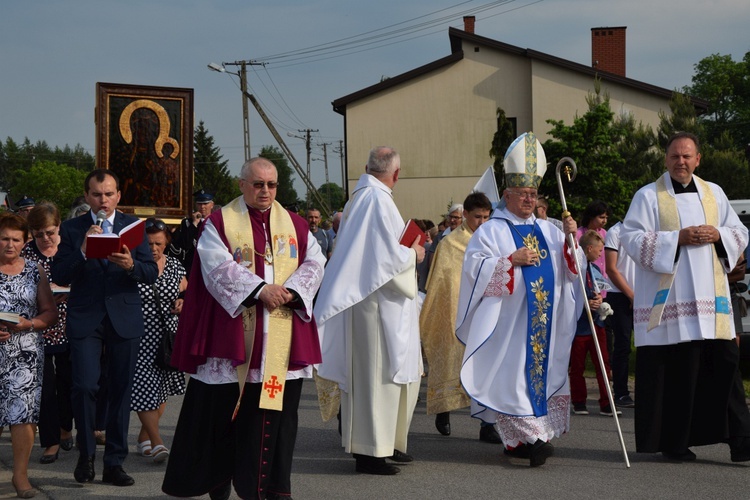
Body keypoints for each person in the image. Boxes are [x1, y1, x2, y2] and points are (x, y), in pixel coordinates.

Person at [163, 157, 325, 500]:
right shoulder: (220, 223)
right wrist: (259, 289)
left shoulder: (295, 224)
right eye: (258, 184)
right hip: (233, 335)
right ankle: (217, 483)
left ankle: (269, 488)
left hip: (281, 338)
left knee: (274, 418)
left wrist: (292, 291)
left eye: (271, 184)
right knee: (223, 416)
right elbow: (215, 266)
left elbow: (315, 260)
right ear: (241, 185)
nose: (265, 191)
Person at [620, 132, 750, 462]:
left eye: (687, 156)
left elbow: (740, 232)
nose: (681, 161)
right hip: (671, 305)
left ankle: (741, 440)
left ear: (698, 159)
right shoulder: (648, 196)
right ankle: (675, 443)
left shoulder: (714, 194)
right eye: (675, 156)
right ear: (666, 159)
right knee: (679, 373)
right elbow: (631, 238)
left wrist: (718, 234)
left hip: (712, 304)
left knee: (726, 365)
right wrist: (676, 238)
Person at [456, 132, 583, 467]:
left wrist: (572, 241)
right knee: (510, 380)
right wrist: (508, 261)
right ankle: (531, 439)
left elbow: (573, 268)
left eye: (532, 194)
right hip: (508, 327)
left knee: (532, 378)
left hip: (543, 327)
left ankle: (520, 443)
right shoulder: (491, 231)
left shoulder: (551, 230)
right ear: (507, 194)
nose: (528, 200)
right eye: (522, 194)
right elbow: (474, 269)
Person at [315, 146, 425, 476]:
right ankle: (370, 453)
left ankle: (384, 445)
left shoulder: (362, 198)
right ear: (396, 174)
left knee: (382, 379)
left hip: (376, 304)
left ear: (367, 167)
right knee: (376, 380)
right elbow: (386, 259)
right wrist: (415, 254)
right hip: (376, 308)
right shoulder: (376, 200)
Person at [52, 169, 157, 486]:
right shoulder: (72, 229)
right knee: (84, 386)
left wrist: (131, 266)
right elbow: (60, 273)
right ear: (87, 196)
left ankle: (114, 463)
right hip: (86, 319)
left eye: (109, 194)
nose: (103, 200)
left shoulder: (133, 228)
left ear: (118, 196)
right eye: (97, 194)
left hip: (124, 317)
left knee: (121, 390)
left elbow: (150, 272)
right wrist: (84, 250)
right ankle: (86, 457)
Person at [420, 192, 502, 442]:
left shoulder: (494, 240)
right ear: (465, 215)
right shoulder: (450, 244)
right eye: (477, 217)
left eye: (487, 217)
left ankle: (487, 425)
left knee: (487, 367)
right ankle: (443, 409)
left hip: (486, 311)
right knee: (449, 360)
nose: (482, 222)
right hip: (456, 312)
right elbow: (444, 284)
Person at [0, 212, 58, 498]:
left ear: (25, 242)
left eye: (15, 239)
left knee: (22, 416)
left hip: (25, 353)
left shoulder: (35, 270)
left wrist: (28, 324)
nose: (9, 244)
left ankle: (20, 476)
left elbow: (50, 313)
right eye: (4, 238)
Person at [21, 203, 75, 464]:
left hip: (70, 327)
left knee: (69, 384)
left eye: (50, 232)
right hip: (37, 328)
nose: (45, 238)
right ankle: (51, 442)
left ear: (59, 227)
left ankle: (66, 428)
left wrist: (68, 290)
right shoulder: (26, 252)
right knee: (45, 387)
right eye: (39, 233)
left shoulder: (70, 247)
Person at [131, 218, 187, 464]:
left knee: (162, 390)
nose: (153, 248)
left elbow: (188, 290)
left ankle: (143, 438)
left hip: (167, 336)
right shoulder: (133, 264)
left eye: (158, 243)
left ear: (166, 243)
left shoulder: (175, 266)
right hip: (138, 334)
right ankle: (157, 441)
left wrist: (183, 300)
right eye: (148, 243)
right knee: (144, 388)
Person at [568, 230, 620, 417]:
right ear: (589, 248)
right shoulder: (574, 268)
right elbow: (568, 295)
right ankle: (579, 402)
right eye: (599, 250)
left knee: (603, 364)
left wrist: (598, 299)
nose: (600, 254)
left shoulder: (596, 269)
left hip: (597, 323)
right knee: (578, 365)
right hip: (580, 326)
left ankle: (607, 403)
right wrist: (584, 303)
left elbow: (599, 290)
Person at [604, 220, 637, 408]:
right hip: (620, 295)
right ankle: (621, 392)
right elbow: (611, 268)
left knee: (648, 345)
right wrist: (631, 295)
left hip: (644, 294)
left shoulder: (646, 229)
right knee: (623, 345)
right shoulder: (615, 231)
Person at [169, 189, 214, 273]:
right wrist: (194, 224)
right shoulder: (187, 223)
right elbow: (185, 245)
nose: (202, 207)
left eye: (205, 203)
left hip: (210, 265)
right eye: (199, 204)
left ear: (212, 205)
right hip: (192, 266)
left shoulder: (216, 222)